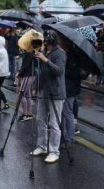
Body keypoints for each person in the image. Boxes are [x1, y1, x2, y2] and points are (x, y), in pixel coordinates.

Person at [30, 30, 67, 164]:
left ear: (50, 42)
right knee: (40, 119)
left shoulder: (60, 53)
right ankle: (42, 146)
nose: (44, 44)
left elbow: (59, 71)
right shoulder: (46, 52)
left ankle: (54, 151)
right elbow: (41, 71)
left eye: (45, 42)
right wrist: (34, 85)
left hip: (56, 93)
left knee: (54, 124)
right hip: (43, 91)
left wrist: (45, 60)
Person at [61, 40, 83, 145]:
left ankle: (69, 138)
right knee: (63, 112)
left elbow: (75, 73)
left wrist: (62, 69)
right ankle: (63, 136)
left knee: (68, 113)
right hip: (66, 87)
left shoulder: (74, 55)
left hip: (70, 88)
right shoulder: (67, 53)